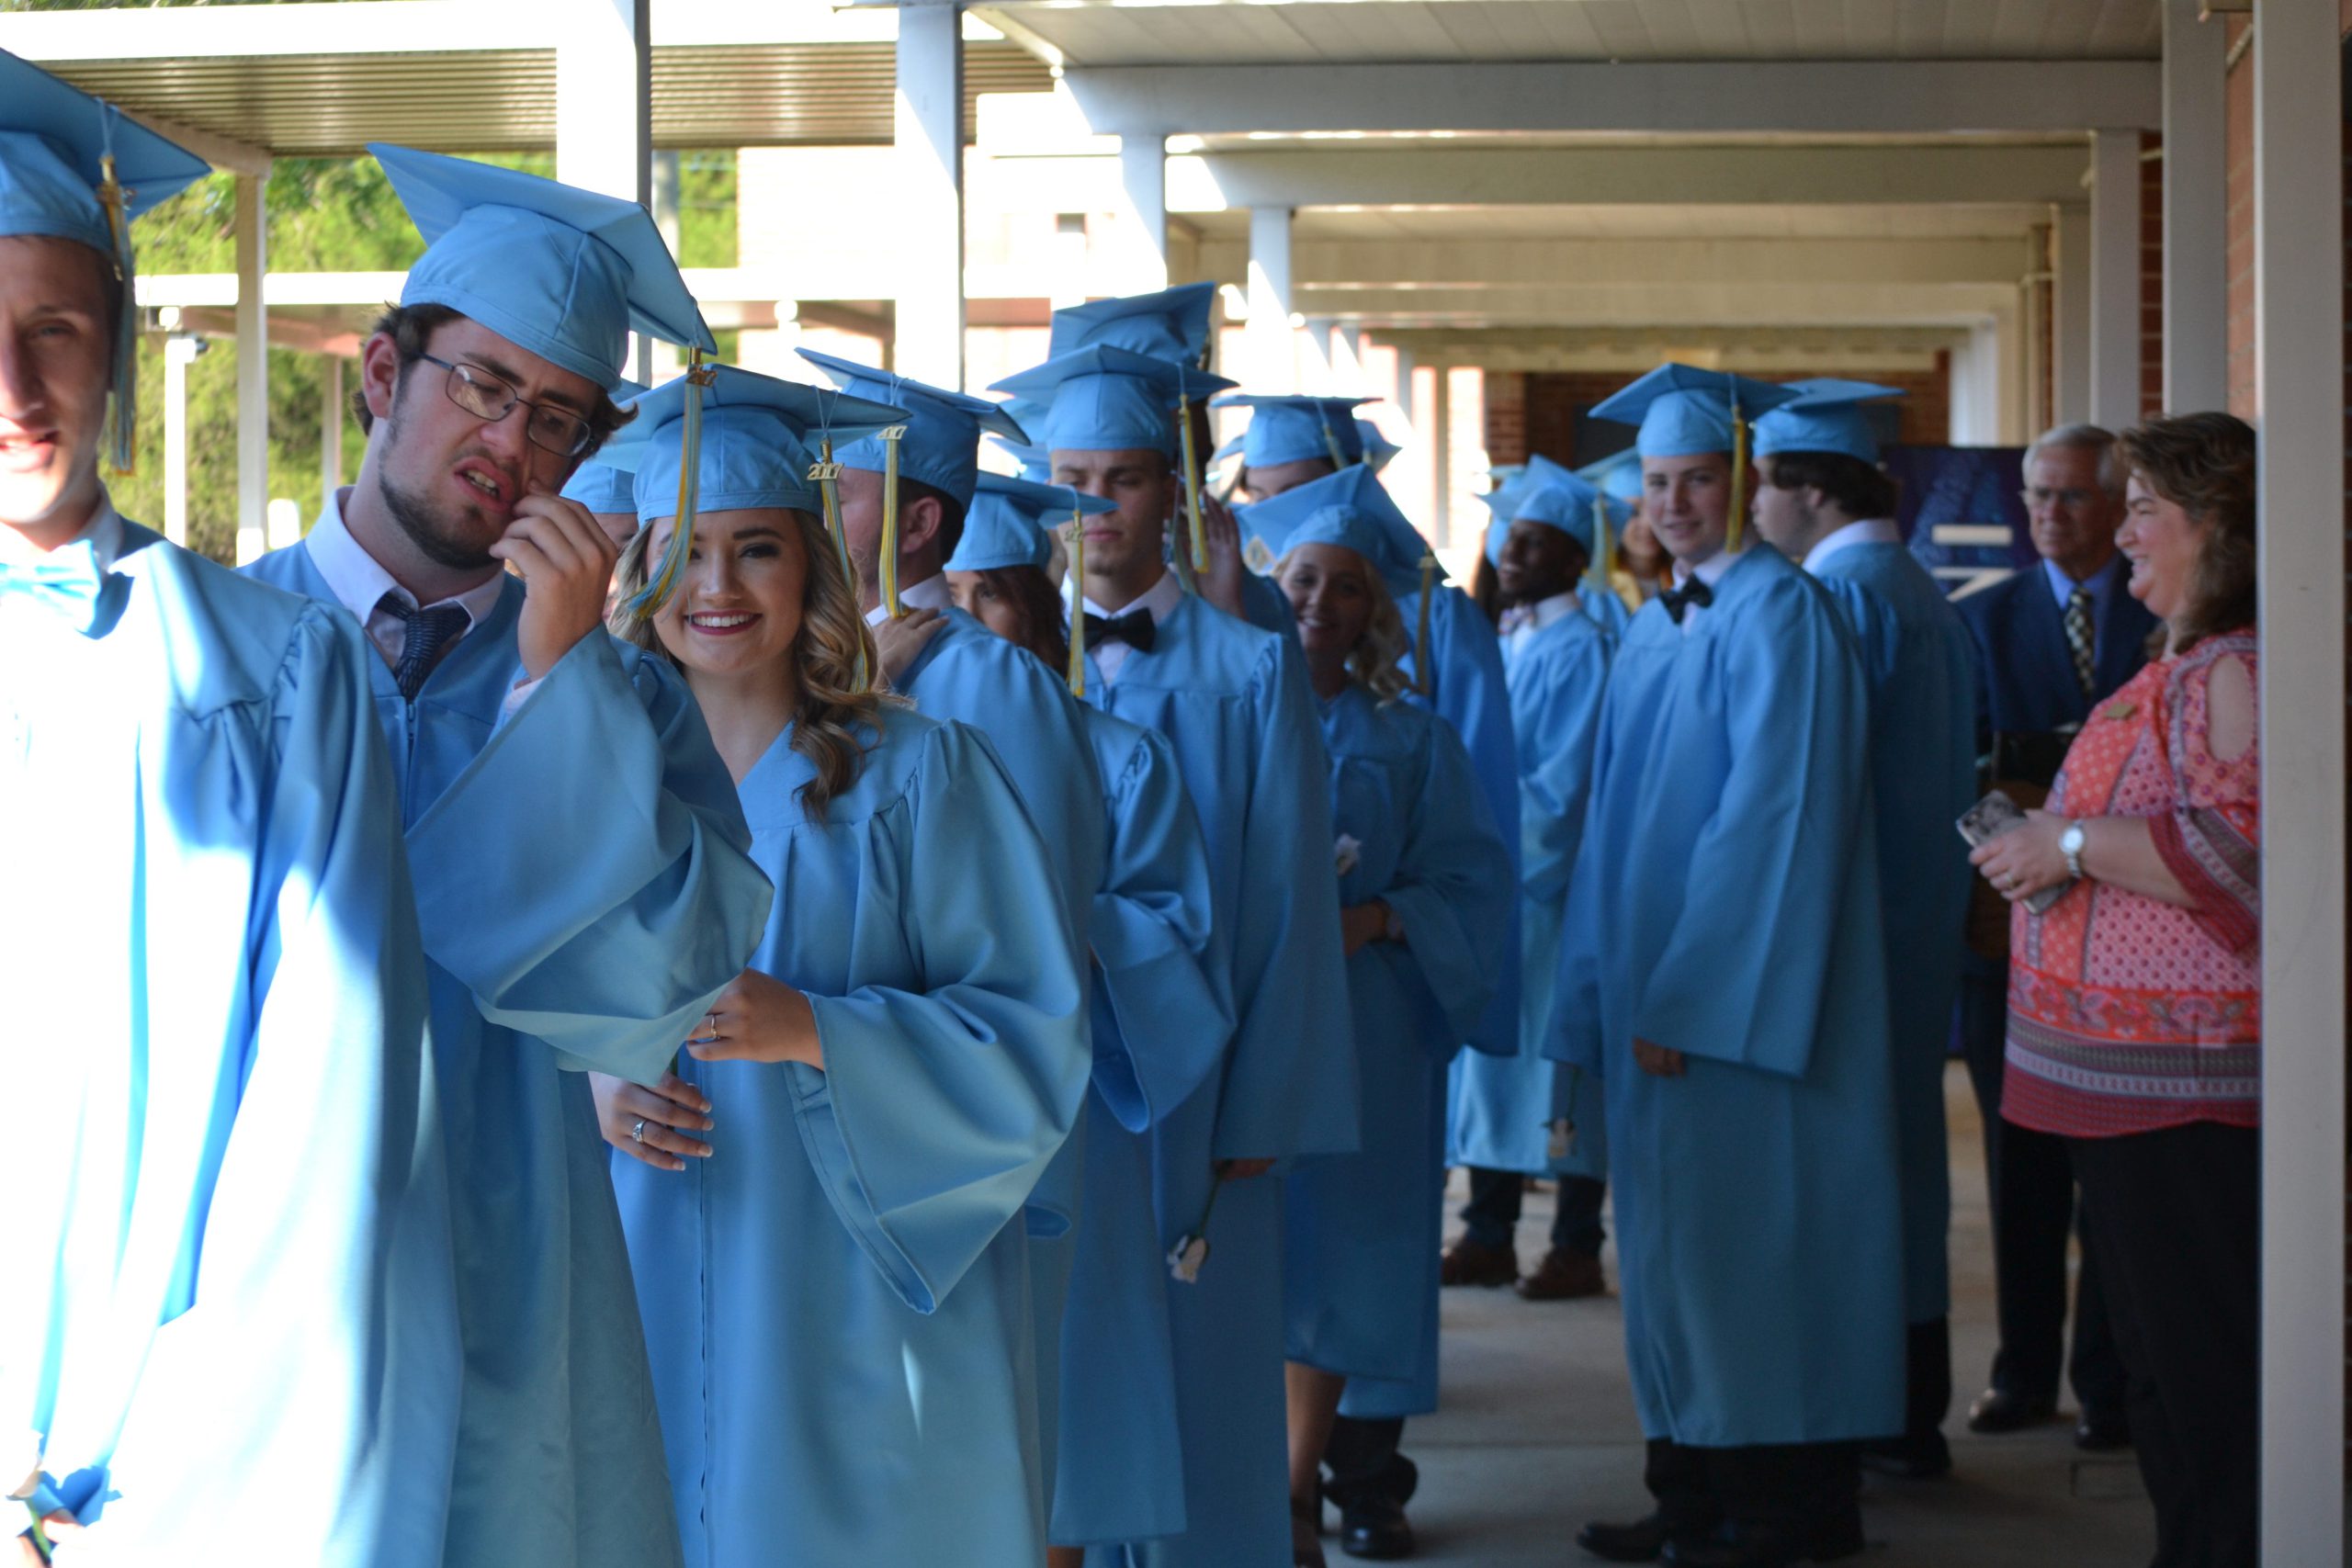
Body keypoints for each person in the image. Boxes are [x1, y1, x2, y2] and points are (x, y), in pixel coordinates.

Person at [244, 146, 775, 1568]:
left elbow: (666, 986)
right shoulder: (217, 653)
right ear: (378, 376)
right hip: (260, 1275)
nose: (514, 442)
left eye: (561, 417)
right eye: (482, 383)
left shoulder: (622, 692)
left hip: (515, 1273)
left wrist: (558, 686)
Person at [0, 57, 460, 1567]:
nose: (14, 388)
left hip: (168, 1474)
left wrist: (155, 1492)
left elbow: (321, 1137)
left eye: (54, 330)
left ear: (118, 348)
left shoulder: (266, 674)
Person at [594, 367, 1089, 1565]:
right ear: (641, 572)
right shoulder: (593, 773)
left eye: (756, 549)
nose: (716, 586)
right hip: (635, 1247)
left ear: (811, 565)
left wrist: (816, 1027)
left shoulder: (921, 776)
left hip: (852, 1273)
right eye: (685, 551)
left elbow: (1033, 1034)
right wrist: (590, 1074)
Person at [991, 341, 1357, 1568]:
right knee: (1064, 1387)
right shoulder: (1003, 670)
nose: (1095, 506)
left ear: (1178, 491)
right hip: (1045, 1086)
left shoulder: (1249, 669)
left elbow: (1293, 897)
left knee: (1204, 1385)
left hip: (1199, 1095)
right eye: (1073, 475)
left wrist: (1269, 1095)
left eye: (1125, 478)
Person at [1555, 365, 1903, 1568]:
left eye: (1697, 477)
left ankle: (1785, 1511)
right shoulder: (1657, 627)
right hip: (1658, 1013)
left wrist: (1689, 1000)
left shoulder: (1785, 615)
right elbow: (1608, 831)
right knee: (1678, 1261)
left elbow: (1773, 820)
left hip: (1736, 1017)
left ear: (1746, 481)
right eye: (1657, 483)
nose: (1674, 501)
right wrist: (1593, 991)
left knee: (1762, 1257)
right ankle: (1691, 1488)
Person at [1967, 412, 2259, 1568]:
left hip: (2181, 1092)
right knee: (2157, 1368)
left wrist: (2070, 846)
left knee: (2198, 1372)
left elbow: (2239, 850)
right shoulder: (2181, 664)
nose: (2118, 533)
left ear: (2218, 529)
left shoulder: (2231, 668)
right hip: (2124, 1090)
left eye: (2142, 509)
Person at [944, 470, 1238, 1563]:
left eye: (990, 597)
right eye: (948, 596)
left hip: (1067, 1113)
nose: (966, 623)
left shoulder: (1120, 755)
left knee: (1062, 1381)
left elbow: (1174, 929)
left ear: (1037, 602)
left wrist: (1056, 930)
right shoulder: (867, 750)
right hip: (922, 1095)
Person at [1237, 466, 1513, 1568]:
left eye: (1345, 586)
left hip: (1368, 1035)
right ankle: (1262, 1483)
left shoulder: (1413, 738)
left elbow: (1472, 883)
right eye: (1302, 577)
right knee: (1259, 1254)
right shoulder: (1228, 712)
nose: (1319, 601)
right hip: (1253, 1027)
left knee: (1351, 1258)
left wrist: (1378, 919)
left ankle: (1312, 1490)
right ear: (1271, 585)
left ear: (1375, 607)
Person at [1751, 380, 1978, 1480]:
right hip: (1917, 911)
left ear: (1809, 492)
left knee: (1852, 1176)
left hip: (1856, 928)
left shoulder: (1837, 603)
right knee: (1904, 1162)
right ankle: (1913, 1406)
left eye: (1761, 484)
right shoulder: (1920, 592)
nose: (1752, 506)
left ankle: (1877, 1413)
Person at [1951, 423, 2154, 1447]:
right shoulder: (1981, 623)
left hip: (2136, 938)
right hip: (2012, 935)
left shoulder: (2165, 619)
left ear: (2120, 508)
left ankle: (2108, 1391)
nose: (2048, 514)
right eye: (2036, 495)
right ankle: (2021, 1372)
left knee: (2110, 1179)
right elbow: (1963, 775)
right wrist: (2025, 843)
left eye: (2071, 497)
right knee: (2019, 1165)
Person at [1448, 471, 1619, 1304]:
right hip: (1501, 888)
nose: (1508, 552)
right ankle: (1488, 1234)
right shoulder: (1513, 638)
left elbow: (1565, 789)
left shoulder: (1582, 647)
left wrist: (1488, 845)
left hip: (1548, 895)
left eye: (1531, 540)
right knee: (1492, 1066)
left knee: (1557, 1071)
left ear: (1576, 558)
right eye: (1506, 536)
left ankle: (1576, 1242)